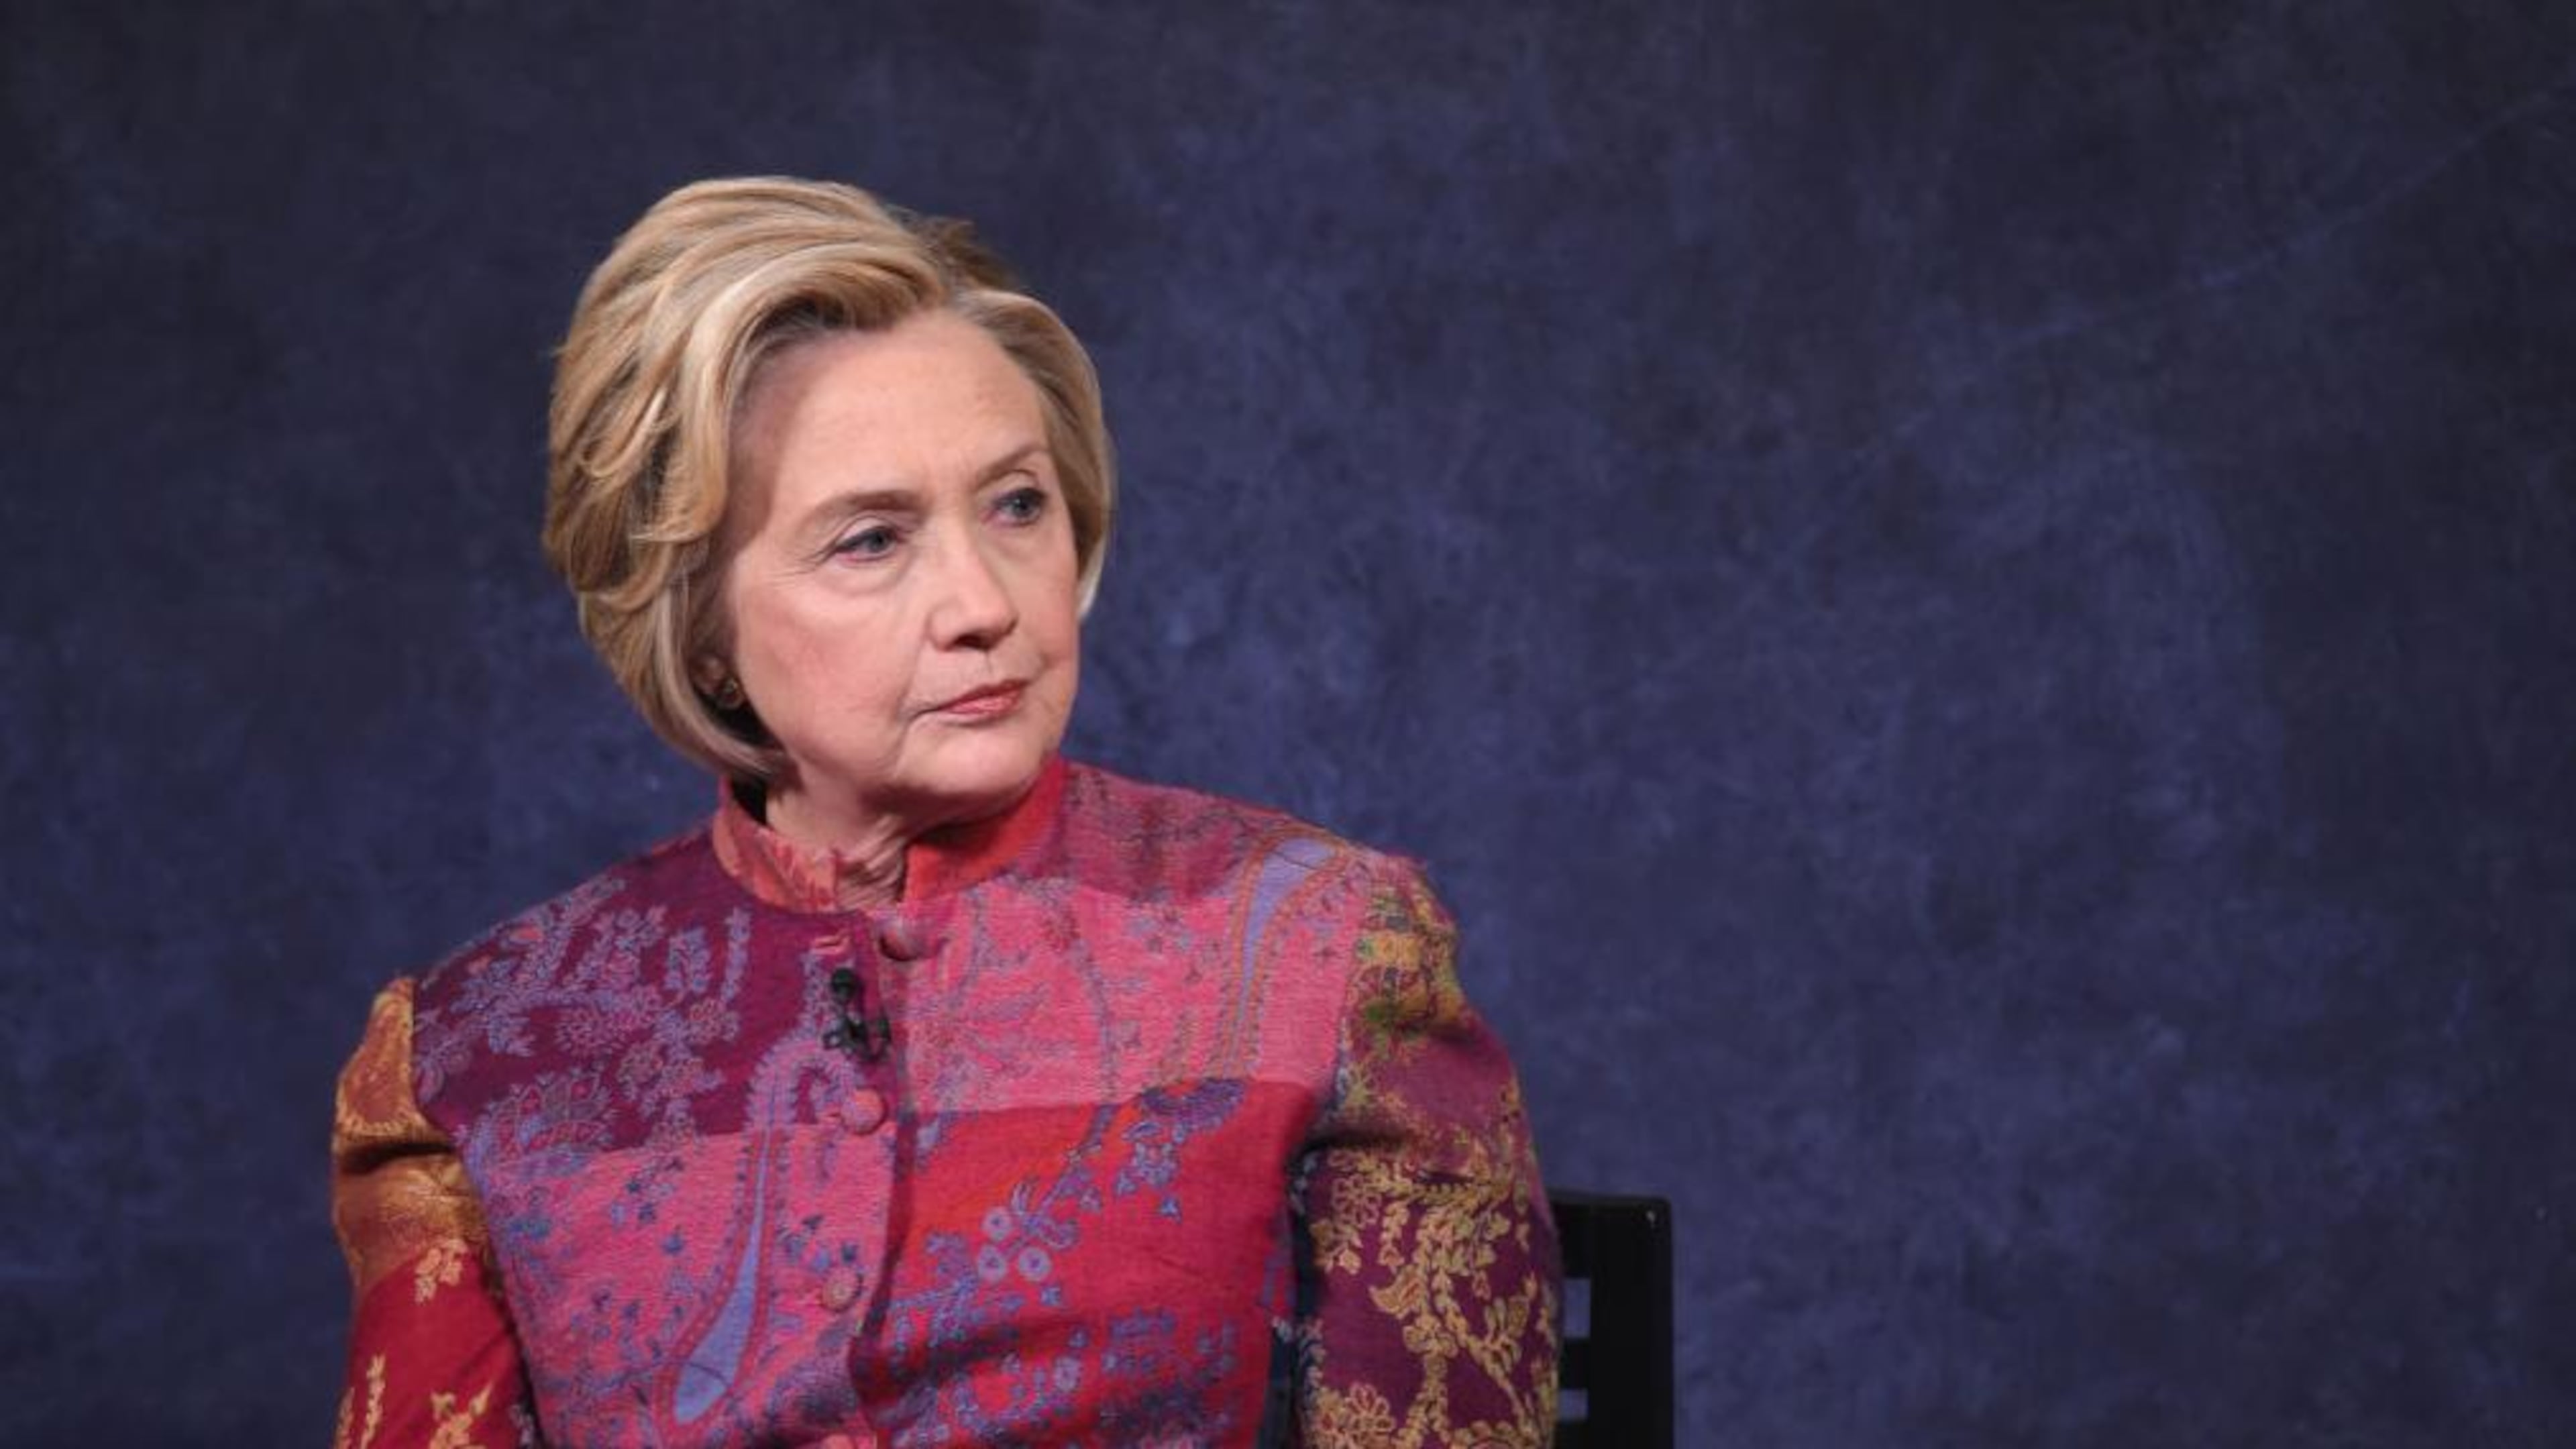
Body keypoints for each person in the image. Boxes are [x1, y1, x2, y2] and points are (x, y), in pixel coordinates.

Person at [329, 176, 1558, 1448]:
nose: (983, 600)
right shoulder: (472, 1056)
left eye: (1017, 503)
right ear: (697, 628)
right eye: (871, 539)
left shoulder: (1322, 947)